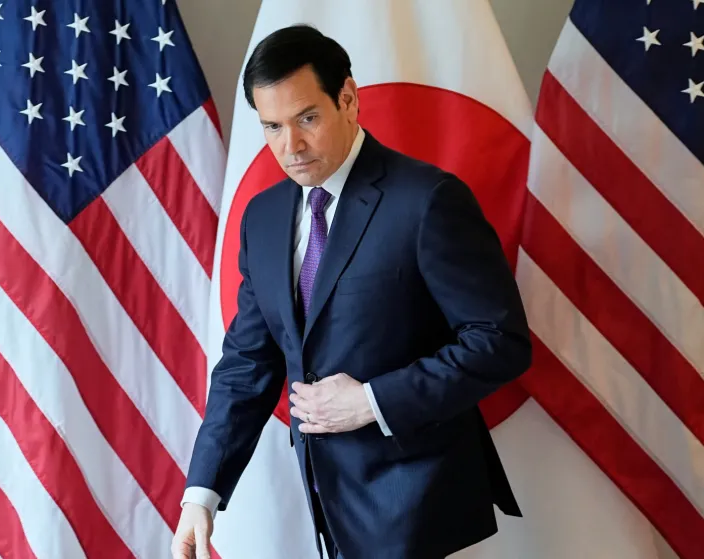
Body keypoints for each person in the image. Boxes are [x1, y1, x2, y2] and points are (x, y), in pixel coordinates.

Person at [171, 24, 532, 559]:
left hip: (418, 499)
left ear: (347, 98)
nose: (290, 146)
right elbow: (247, 362)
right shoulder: (263, 218)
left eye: (307, 119)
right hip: (324, 501)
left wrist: (371, 401)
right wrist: (201, 494)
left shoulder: (428, 200)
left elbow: (500, 341)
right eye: (272, 127)